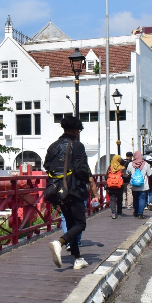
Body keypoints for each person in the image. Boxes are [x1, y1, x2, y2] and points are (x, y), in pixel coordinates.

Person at [45, 115, 98, 270]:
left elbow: (47, 165)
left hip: (58, 191)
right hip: (73, 189)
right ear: (75, 130)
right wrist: (87, 181)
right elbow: (82, 170)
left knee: (69, 222)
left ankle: (77, 258)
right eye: (78, 130)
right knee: (80, 224)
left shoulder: (53, 146)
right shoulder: (77, 146)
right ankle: (59, 243)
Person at [126, 151, 151, 219]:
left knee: (135, 199)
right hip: (143, 186)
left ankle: (136, 212)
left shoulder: (131, 164)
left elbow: (127, 173)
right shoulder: (145, 164)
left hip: (134, 185)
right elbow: (149, 174)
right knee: (142, 199)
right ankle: (140, 213)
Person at [106, 154, 125, 219]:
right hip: (119, 186)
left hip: (111, 186)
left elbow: (106, 176)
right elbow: (124, 176)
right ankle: (119, 212)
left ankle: (113, 213)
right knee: (119, 199)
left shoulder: (109, 167)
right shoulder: (121, 168)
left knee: (112, 199)